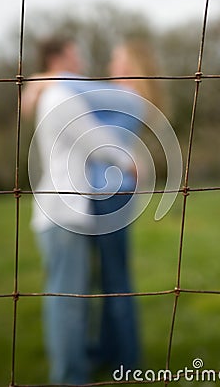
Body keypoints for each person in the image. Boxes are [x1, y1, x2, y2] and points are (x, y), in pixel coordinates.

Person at [22, 36, 137, 385]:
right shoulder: (61, 97)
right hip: (64, 213)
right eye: (74, 53)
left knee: (70, 298)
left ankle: (75, 370)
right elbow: (98, 141)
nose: (80, 58)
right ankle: (70, 376)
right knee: (68, 302)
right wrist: (129, 161)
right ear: (58, 59)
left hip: (64, 212)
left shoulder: (56, 94)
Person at [89, 39, 162, 374]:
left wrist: (49, 78)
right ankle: (108, 349)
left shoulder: (127, 97)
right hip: (111, 192)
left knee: (116, 278)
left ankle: (127, 360)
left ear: (130, 63)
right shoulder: (121, 96)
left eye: (115, 59)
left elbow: (74, 94)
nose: (109, 66)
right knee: (108, 276)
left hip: (113, 195)